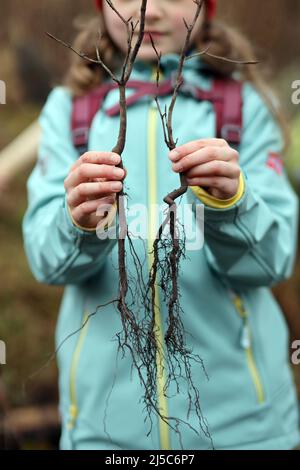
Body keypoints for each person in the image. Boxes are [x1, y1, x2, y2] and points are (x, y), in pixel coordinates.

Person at [22, 0, 300, 450]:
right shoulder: (69, 111)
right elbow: (47, 262)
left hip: (244, 432)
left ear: (205, 9)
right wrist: (76, 223)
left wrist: (232, 204)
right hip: (104, 434)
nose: (147, 11)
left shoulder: (245, 107)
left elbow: (273, 261)